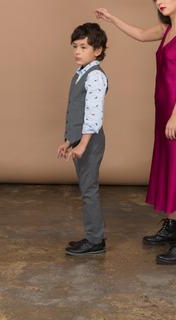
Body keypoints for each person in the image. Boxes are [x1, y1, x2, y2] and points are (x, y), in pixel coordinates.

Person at [94, 0, 176, 265]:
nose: (159, 1)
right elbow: (141, 34)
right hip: (164, 111)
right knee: (170, 167)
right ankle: (172, 226)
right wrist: (112, 18)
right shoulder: (167, 29)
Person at [57, 22, 108, 256]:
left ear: (97, 50)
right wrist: (69, 141)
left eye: (84, 47)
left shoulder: (95, 76)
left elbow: (93, 115)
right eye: (75, 46)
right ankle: (92, 236)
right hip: (80, 141)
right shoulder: (81, 72)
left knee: (89, 190)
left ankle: (95, 240)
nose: (77, 51)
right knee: (86, 189)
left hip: (90, 141)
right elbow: (77, 111)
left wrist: (83, 144)